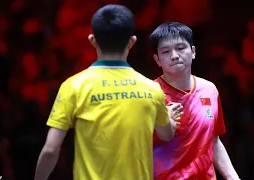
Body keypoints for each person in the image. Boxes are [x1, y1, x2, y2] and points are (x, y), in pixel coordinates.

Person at [34, 5, 182, 180]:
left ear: (92, 40)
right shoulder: (151, 89)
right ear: (132, 42)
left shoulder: (74, 86)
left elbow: (51, 149)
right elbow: (166, 134)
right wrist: (169, 118)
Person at [149, 22, 240, 180]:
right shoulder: (149, 94)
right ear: (157, 60)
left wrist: (233, 177)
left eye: (180, 48)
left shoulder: (209, 90)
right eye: (166, 51)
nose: (174, 55)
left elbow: (213, 141)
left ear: (193, 52)